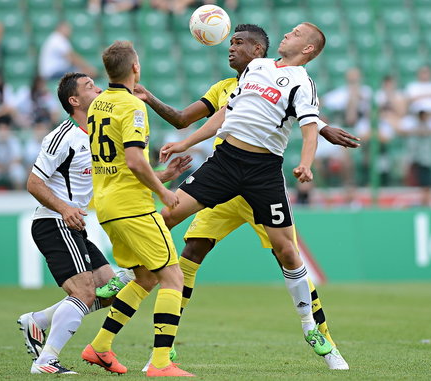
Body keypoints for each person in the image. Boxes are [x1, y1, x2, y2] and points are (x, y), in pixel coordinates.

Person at [134, 24, 356, 370]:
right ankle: (125, 270)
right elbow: (225, 114)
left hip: (264, 171)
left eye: (296, 33)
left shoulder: (302, 82)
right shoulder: (257, 67)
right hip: (225, 163)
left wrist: (306, 165)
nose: (287, 35)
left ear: (309, 49)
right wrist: (186, 142)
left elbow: (310, 128)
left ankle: (311, 328)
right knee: (167, 215)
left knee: (287, 251)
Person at [80, 41, 194, 377]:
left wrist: (160, 175)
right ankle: (161, 363)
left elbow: (116, 161)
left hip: (108, 206)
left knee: (144, 278)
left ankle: (99, 346)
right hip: (134, 207)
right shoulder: (132, 107)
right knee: (173, 278)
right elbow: (132, 160)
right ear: (136, 68)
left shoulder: (98, 104)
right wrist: (164, 191)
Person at [19, 73, 131, 374]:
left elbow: (121, 173)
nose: (97, 88)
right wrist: (64, 207)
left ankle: (39, 320)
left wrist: (160, 178)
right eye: (89, 86)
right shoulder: (62, 135)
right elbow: (33, 182)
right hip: (54, 221)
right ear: (74, 100)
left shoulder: (98, 132)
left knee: (111, 288)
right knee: (83, 292)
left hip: (74, 225)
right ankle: (46, 360)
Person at [397, 109, 431, 207]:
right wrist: (417, 131)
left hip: (426, 159)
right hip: (415, 158)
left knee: (426, 183)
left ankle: (425, 201)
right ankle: (417, 202)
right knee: (414, 182)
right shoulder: (411, 123)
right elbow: (399, 130)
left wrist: (428, 131)